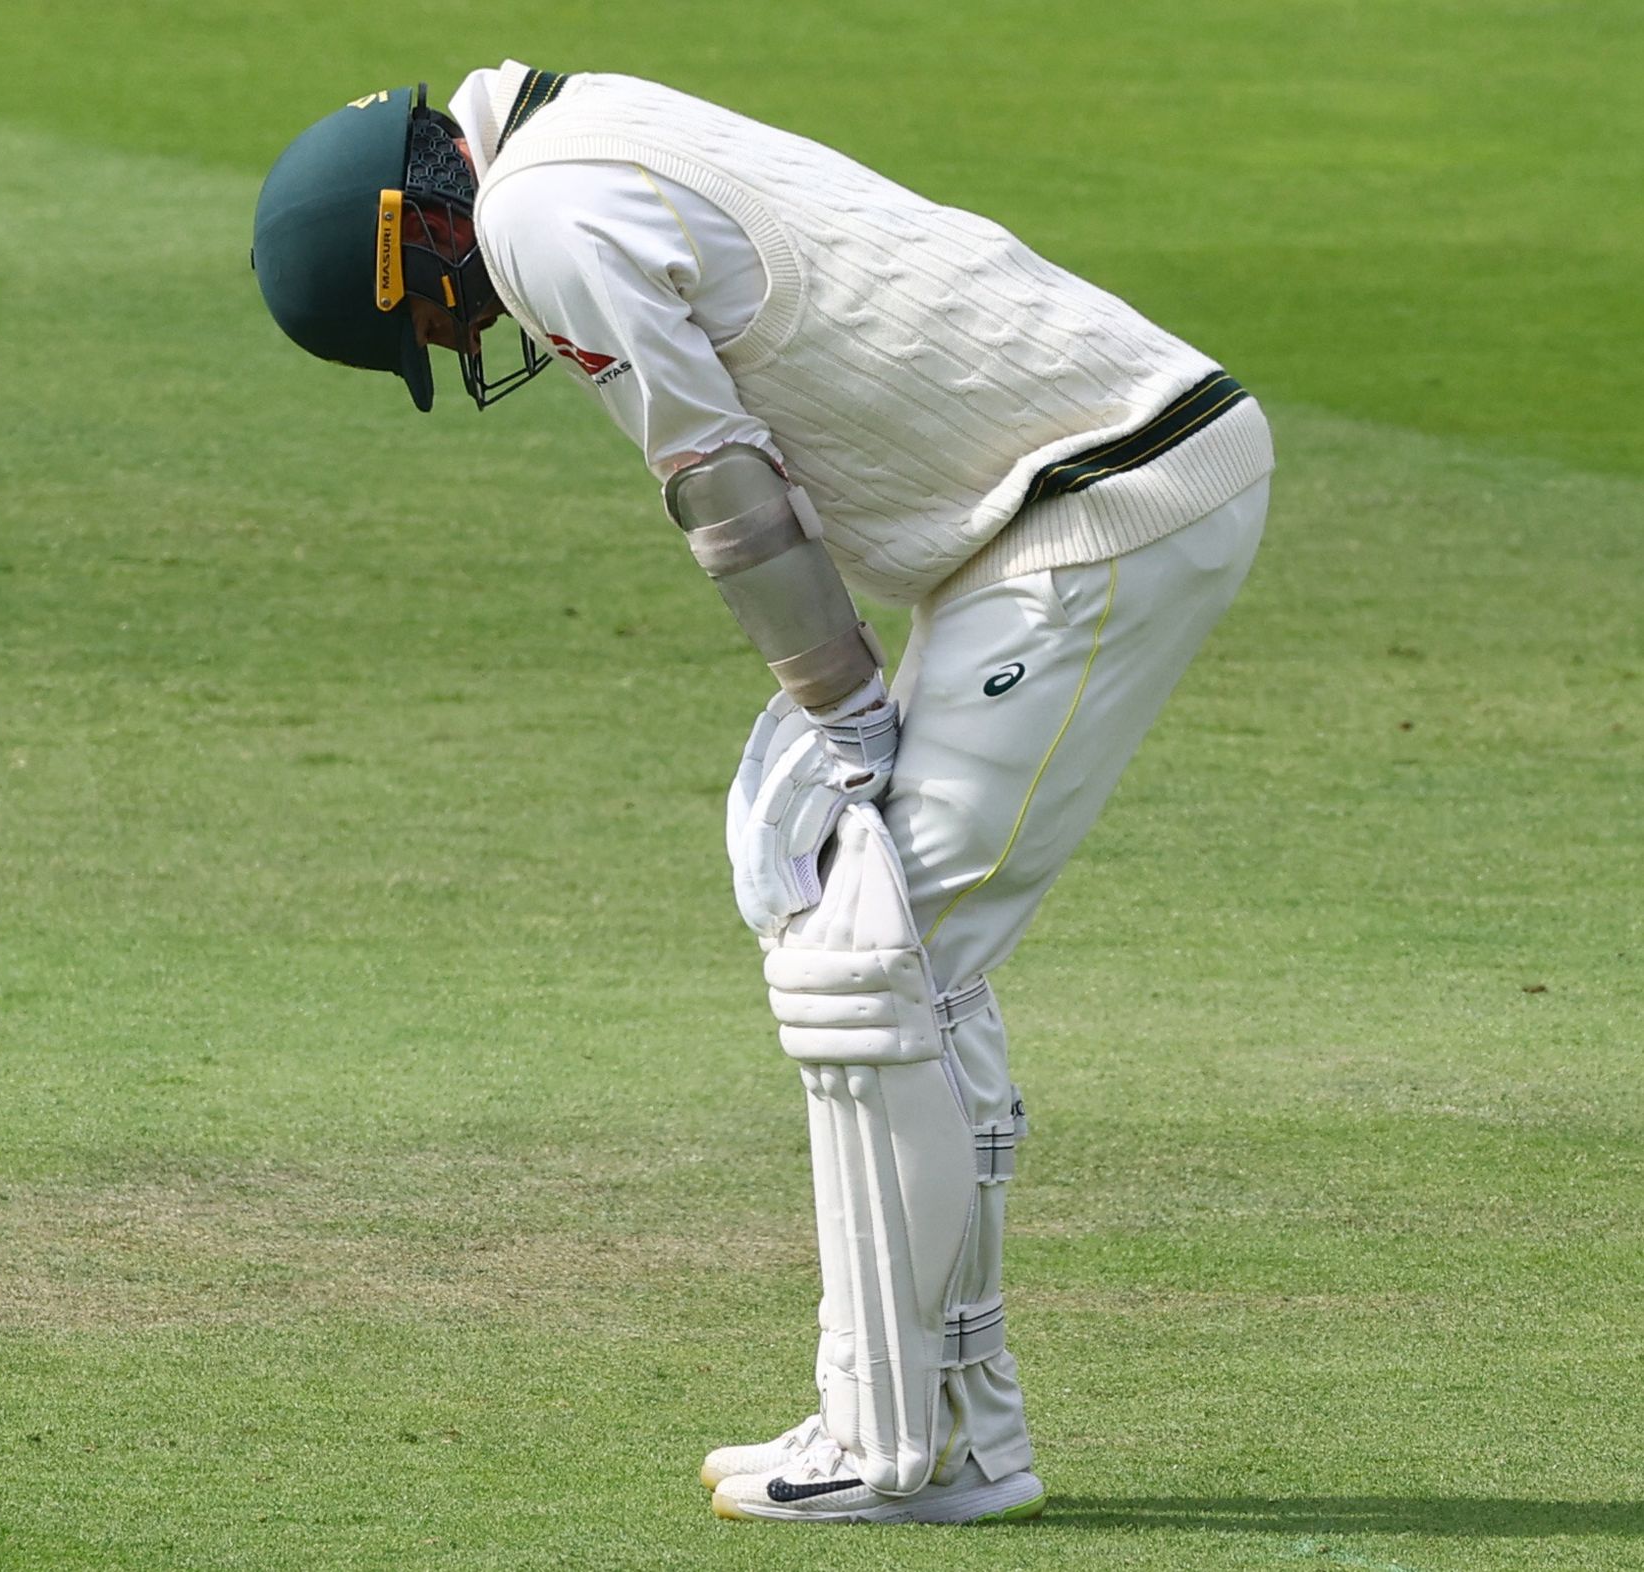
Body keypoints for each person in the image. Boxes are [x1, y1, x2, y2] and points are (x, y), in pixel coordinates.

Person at [249, 63, 1274, 1525]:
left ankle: (888, 1448)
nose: (465, 329)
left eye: (435, 307)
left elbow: (720, 485)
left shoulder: (541, 217)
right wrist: (844, 705)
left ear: (414, 233)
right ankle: (958, 1432)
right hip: (1036, 515)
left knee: (870, 965)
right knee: (882, 947)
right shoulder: (580, 126)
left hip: (1092, 508)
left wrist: (845, 705)